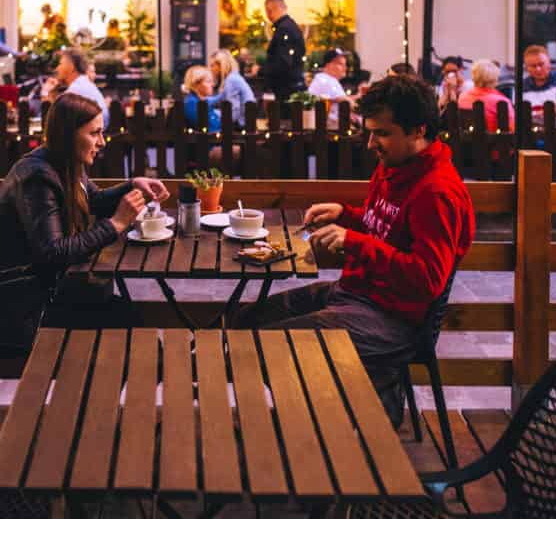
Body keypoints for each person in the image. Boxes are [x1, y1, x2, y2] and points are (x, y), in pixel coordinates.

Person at [233, 74, 474, 421]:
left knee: (270, 345)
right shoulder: (393, 166)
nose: (371, 142)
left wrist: (355, 242)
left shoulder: (437, 192)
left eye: (382, 133)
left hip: (395, 320)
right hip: (356, 293)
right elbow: (387, 225)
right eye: (370, 131)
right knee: (245, 321)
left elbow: (427, 279)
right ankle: (287, 422)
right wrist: (348, 216)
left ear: (418, 131)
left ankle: (319, 427)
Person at [0, 94, 168, 331]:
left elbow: (93, 200)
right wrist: (116, 224)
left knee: (123, 312)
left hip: (36, 288)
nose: (102, 142)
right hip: (16, 301)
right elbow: (53, 252)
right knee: (124, 320)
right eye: (94, 133)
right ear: (68, 135)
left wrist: (133, 184)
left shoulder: (64, 163)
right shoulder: (37, 177)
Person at [259, 0, 307, 101]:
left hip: (286, 90)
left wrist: (261, 70)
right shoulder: (291, 26)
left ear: (271, 10)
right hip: (292, 88)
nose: (268, 15)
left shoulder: (283, 29)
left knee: (284, 118)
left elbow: (283, 62)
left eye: (268, 11)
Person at [456, 59, 510, 133]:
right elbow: (514, 128)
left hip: (466, 142)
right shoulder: (501, 101)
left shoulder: (462, 97)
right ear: (495, 78)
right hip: (495, 143)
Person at [519, 44, 556, 108]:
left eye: (541, 64)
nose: (538, 69)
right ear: (526, 68)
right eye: (533, 66)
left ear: (549, 63)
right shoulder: (522, 86)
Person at [209, 49, 255, 128]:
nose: (210, 69)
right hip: (245, 124)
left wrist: (215, 115)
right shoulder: (232, 77)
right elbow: (219, 98)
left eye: (212, 65)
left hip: (241, 126)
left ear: (221, 65)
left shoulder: (231, 80)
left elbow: (234, 112)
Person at [180, 64, 222, 133]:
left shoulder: (201, 101)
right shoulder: (192, 103)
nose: (212, 85)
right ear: (196, 84)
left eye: (212, 81)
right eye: (208, 81)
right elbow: (211, 128)